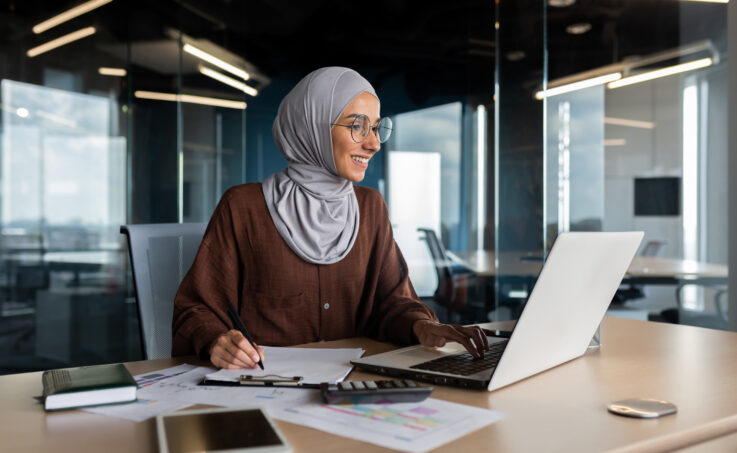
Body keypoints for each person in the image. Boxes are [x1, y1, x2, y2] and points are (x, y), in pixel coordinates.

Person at [172, 67, 489, 369]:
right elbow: (196, 308)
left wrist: (422, 326)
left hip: (354, 385)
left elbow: (391, 303)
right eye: (357, 126)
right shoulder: (243, 206)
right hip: (266, 388)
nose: (374, 144)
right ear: (312, 127)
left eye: (377, 128)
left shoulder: (370, 207)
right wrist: (217, 339)